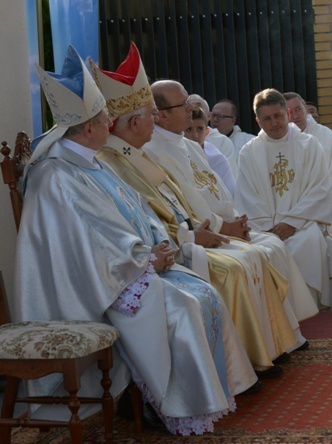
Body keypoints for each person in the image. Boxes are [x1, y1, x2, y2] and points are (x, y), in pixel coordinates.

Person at [18, 45, 257, 436]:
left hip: (117, 271)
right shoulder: (58, 175)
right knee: (181, 309)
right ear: (91, 126)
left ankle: (183, 400)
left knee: (200, 294)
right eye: (104, 118)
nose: (110, 123)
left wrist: (157, 246)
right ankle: (168, 403)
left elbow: (133, 213)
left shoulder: (89, 160)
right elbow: (86, 244)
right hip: (84, 288)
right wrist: (146, 261)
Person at [135, 79, 312, 367]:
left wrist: (234, 219)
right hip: (201, 233)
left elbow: (216, 187)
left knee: (273, 245)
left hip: (221, 225)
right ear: (162, 114)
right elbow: (186, 203)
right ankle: (254, 354)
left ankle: (284, 336)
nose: (192, 108)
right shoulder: (154, 151)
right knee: (253, 256)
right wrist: (224, 227)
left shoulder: (186, 144)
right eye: (184, 104)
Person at [236, 88, 332, 311]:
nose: (274, 123)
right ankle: (278, 317)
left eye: (278, 116)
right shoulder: (249, 151)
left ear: (288, 114)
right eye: (267, 118)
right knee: (264, 249)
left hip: (303, 224)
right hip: (265, 228)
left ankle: (312, 311)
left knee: (309, 243)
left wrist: (291, 223)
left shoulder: (310, 144)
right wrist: (269, 229)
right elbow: (247, 196)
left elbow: (320, 189)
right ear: (258, 121)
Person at [284, 91, 332, 264]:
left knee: (311, 238)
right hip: (291, 206)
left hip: (327, 204)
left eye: (298, 110)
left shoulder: (327, 137)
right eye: (288, 112)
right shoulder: (280, 142)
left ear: (306, 111)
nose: (295, 116)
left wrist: (311, 204)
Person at [185, 106, 237, 197]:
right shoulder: (176, 155)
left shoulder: (218, 159)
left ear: (207, 131)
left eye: (200, 129)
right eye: (189, 130)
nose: (195, 135)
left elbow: (230, 194)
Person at [189, 94, 240, 181]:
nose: (195, 111)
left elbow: (229, 178)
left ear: (209, 116)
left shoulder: (222, 142)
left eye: (198, 106)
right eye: (190, 108)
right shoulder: (177, 138)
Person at [211, 98, 255, 170]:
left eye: (220, 116)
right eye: (213, 115)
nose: (215, 120)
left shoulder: (249, 142)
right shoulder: (203, 140)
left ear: (233, 120)